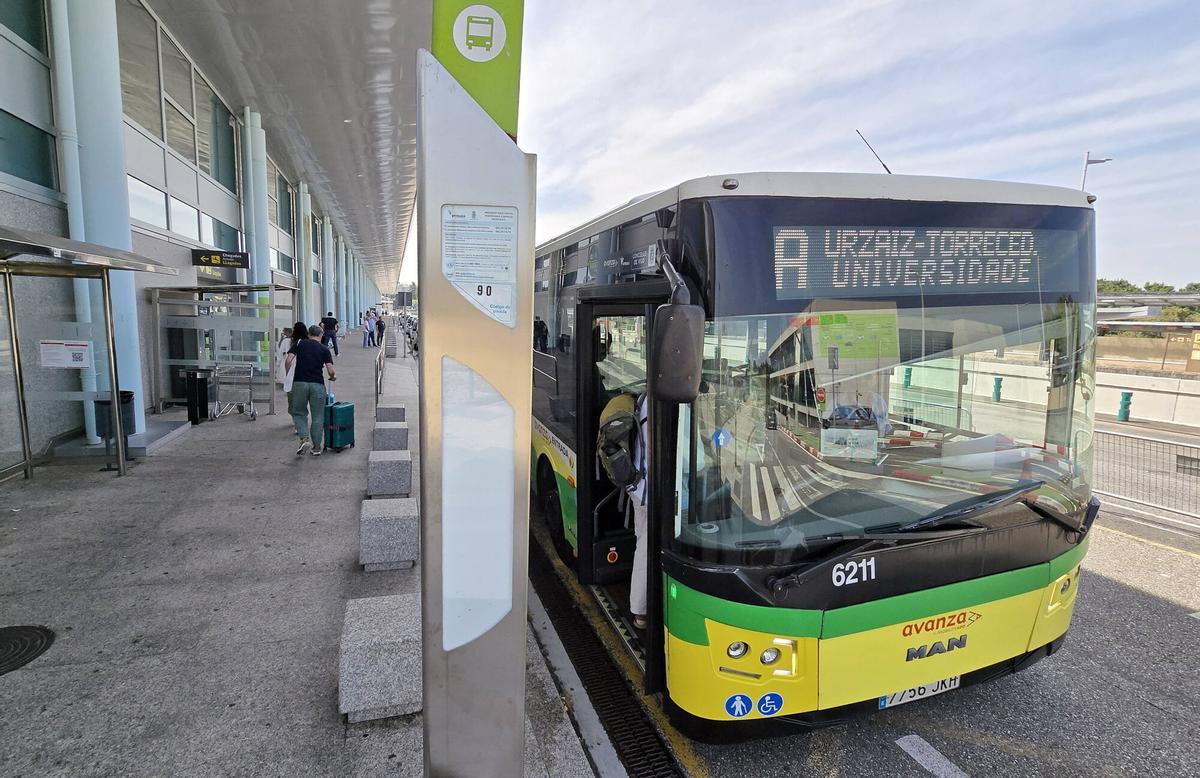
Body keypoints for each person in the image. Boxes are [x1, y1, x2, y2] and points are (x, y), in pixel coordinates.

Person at [285, 323, 336, 456]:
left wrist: (288, 374)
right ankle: (317, 447)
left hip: (300, 383)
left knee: (299, 412)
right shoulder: (324, 349)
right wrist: (333, 377)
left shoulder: (299, 343)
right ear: (321, 335)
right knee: (318, 416)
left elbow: (288, 360)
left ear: (308, 334)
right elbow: (331, 370)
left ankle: (304, 438)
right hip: (317, 385)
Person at [627, 392, 650, 629]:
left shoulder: (645, 397)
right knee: (645, 548)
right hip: (647, 492)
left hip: (638, 486)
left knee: (642, 543)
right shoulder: (661, 404)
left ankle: (641, 608)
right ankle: (640, 610)